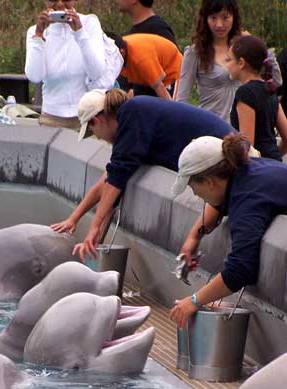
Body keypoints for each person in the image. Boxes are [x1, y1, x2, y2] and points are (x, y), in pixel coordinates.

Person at [51, 88, 233, 261]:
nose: (98, 137)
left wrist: (94, 227)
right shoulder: (134, 126)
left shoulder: (133, 114)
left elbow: (115, 181)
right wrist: (74, 219)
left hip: (230, 158)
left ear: (96, 120)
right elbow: (108, 182)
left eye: (93, 132)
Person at [169, 133, 287, 329]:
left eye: (192, 187)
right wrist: (194, 237)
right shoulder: (247, 171)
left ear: (209, 182)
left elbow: (241, 269)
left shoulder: (247, 199)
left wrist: (195, 301)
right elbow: (219, 202)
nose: (196, 195)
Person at [25, 0, 114, 129]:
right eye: (53, 0)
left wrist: (80, 33)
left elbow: (96, 72)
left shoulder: (90, 24)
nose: (60, 5)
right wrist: (38, 36)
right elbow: (35, 76)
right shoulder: (34, 31)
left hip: (88, 115)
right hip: (52, 116)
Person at [176, 0, 242, 122]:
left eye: (225, 18)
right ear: (205, 19)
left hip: (242, 131)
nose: (219, 24)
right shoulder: (194, 52)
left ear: (234, 17)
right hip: (211, 129)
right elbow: (182, 99)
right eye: (213, 18)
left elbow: (271, 82)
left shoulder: (243, 47)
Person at [227, 35, 287, 161]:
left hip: (258, 169)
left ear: (241, 63)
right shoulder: (270, 89)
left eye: (229, 60)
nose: (227, 65)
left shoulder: (245, 93)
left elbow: (248, 146)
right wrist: (274, 157)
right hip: (276, 166)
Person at [107, 32, 182, 99]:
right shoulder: (117, 52)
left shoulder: (141, 59)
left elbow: (160, 88)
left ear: (122, 52)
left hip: (171, 70)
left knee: (168, 108)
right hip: (145, 77)